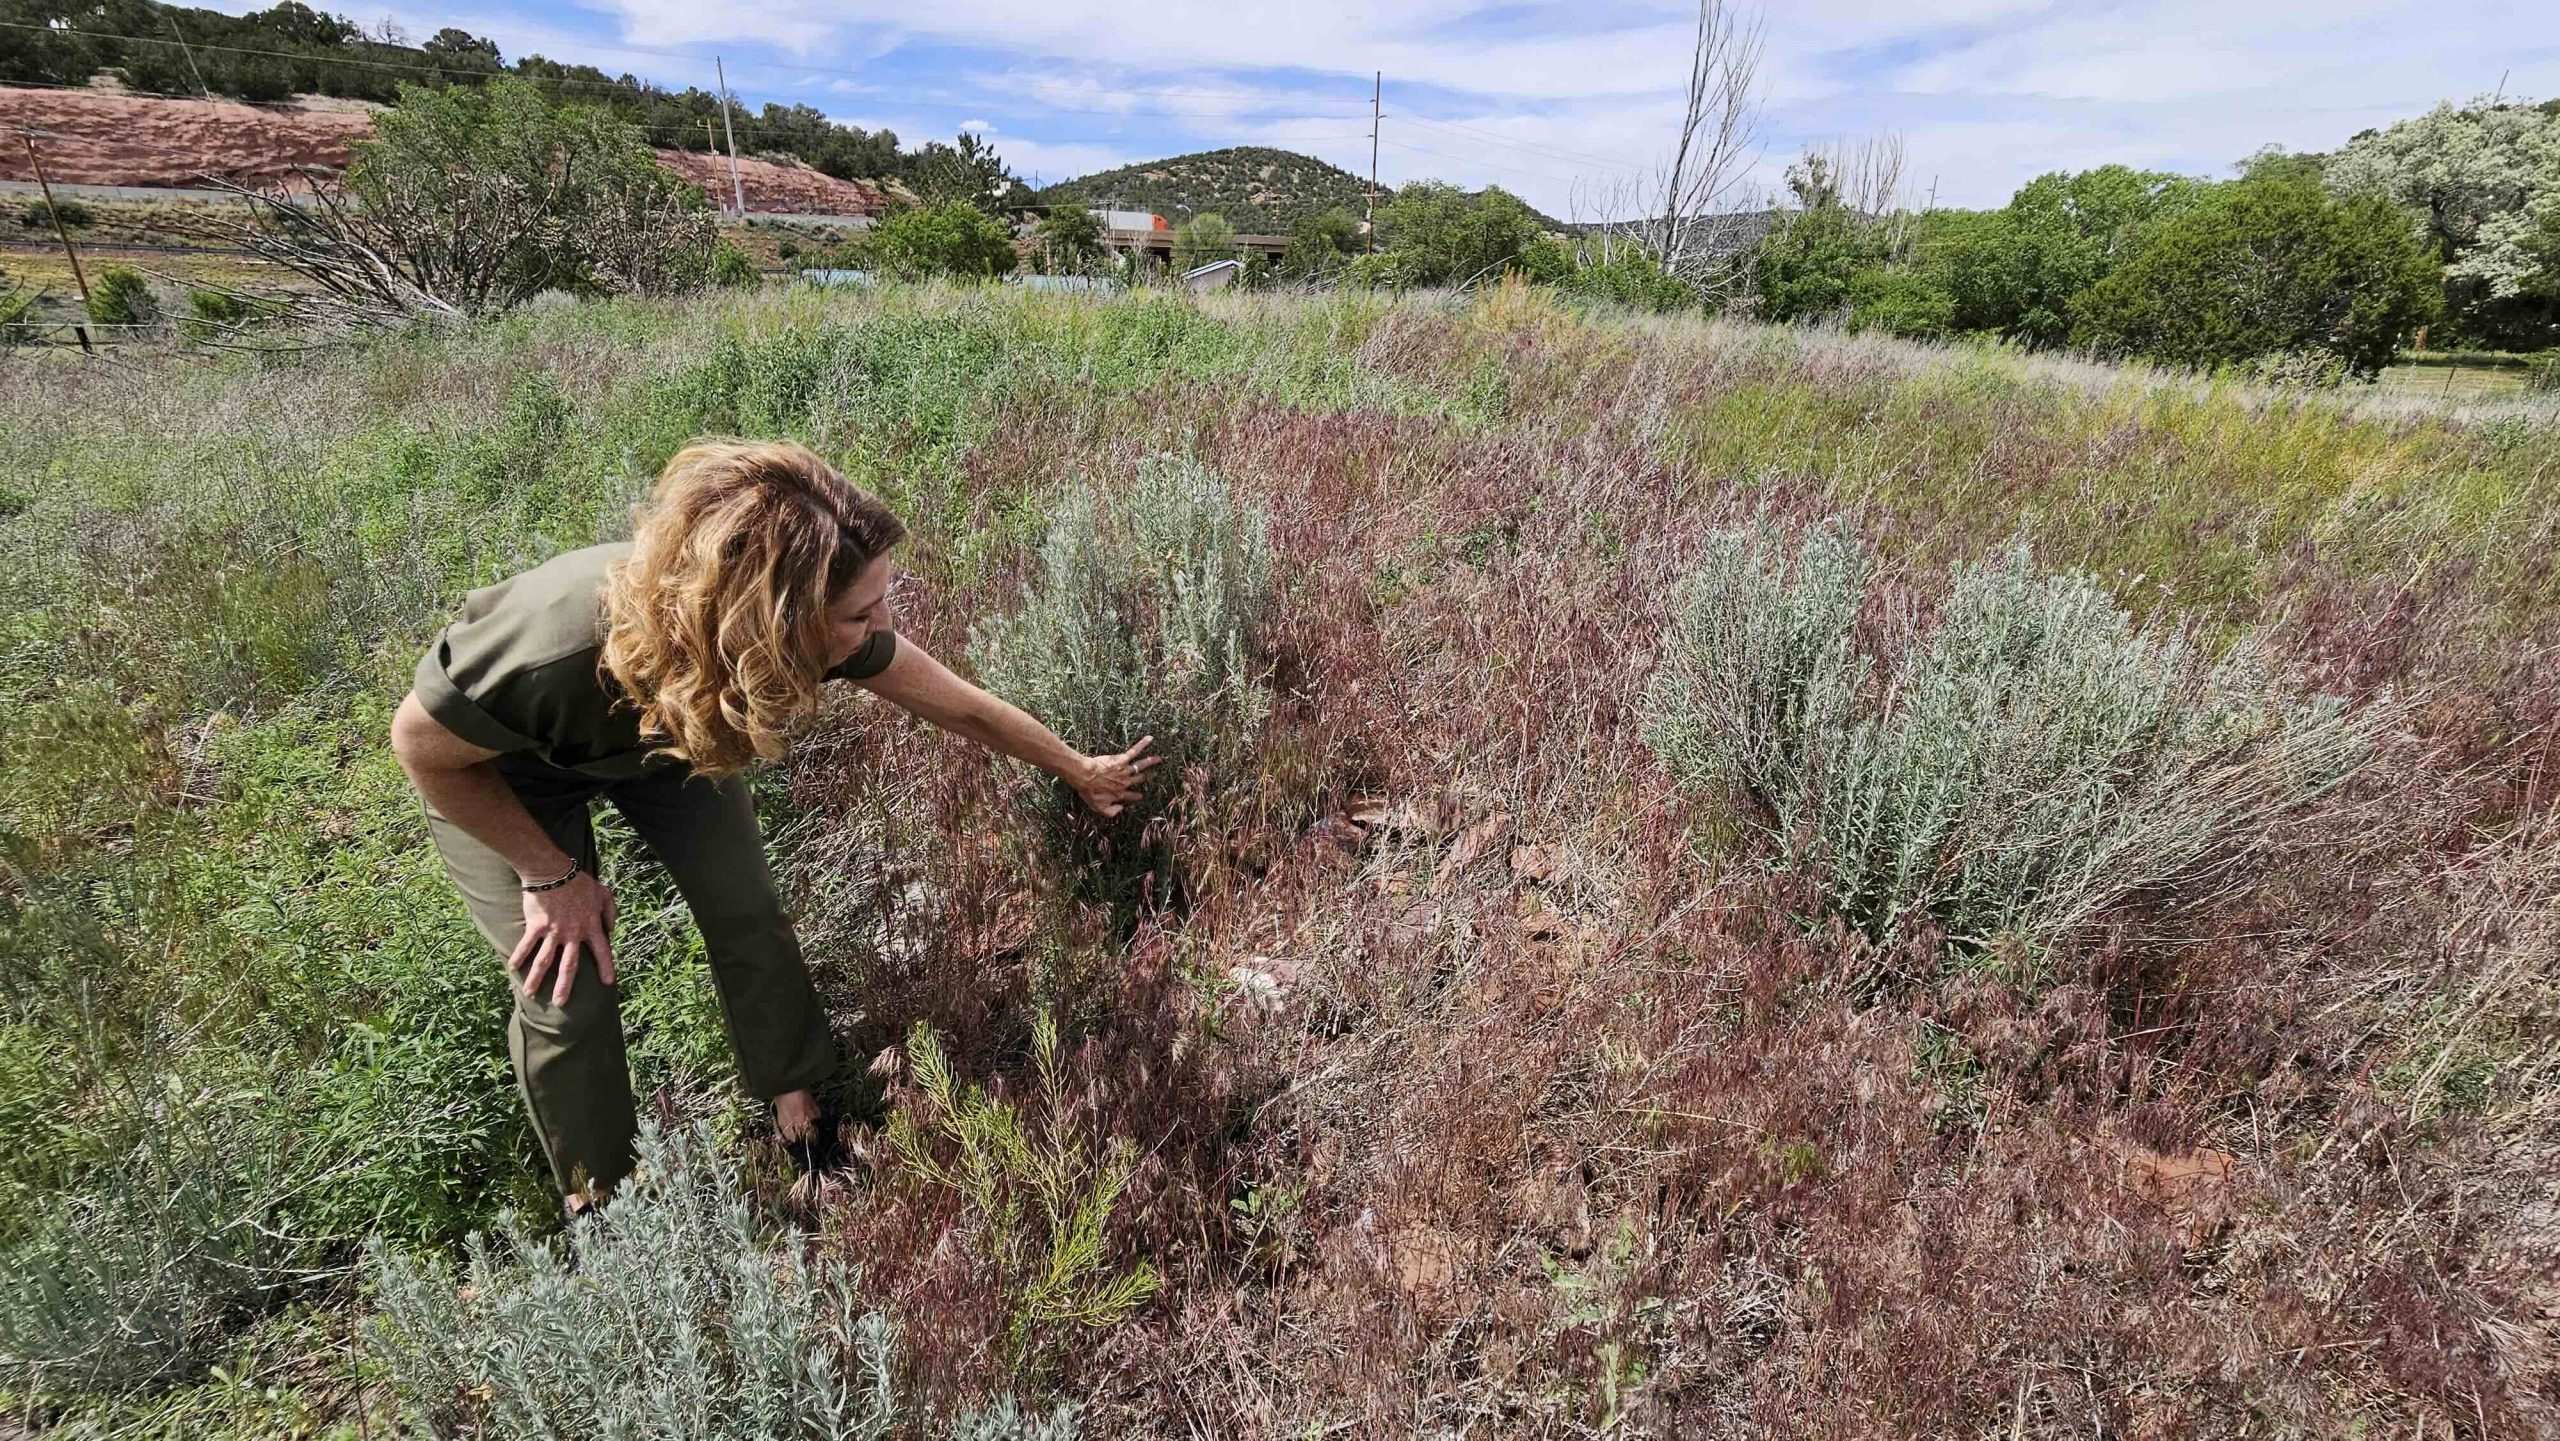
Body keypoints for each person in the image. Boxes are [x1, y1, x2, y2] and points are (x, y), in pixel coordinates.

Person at [390, 439, 1159, 1211]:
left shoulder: (786, 636)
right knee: (567, 983)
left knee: (747, 910)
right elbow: (420, 744)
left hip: (678, 725)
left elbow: (952, 701)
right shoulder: (557, 644)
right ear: (779, 616)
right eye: (861, 612)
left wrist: (1075, 768)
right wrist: (549, 872)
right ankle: (606, 1211)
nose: (883, 624)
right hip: (503, 769)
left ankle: (798, 1111)